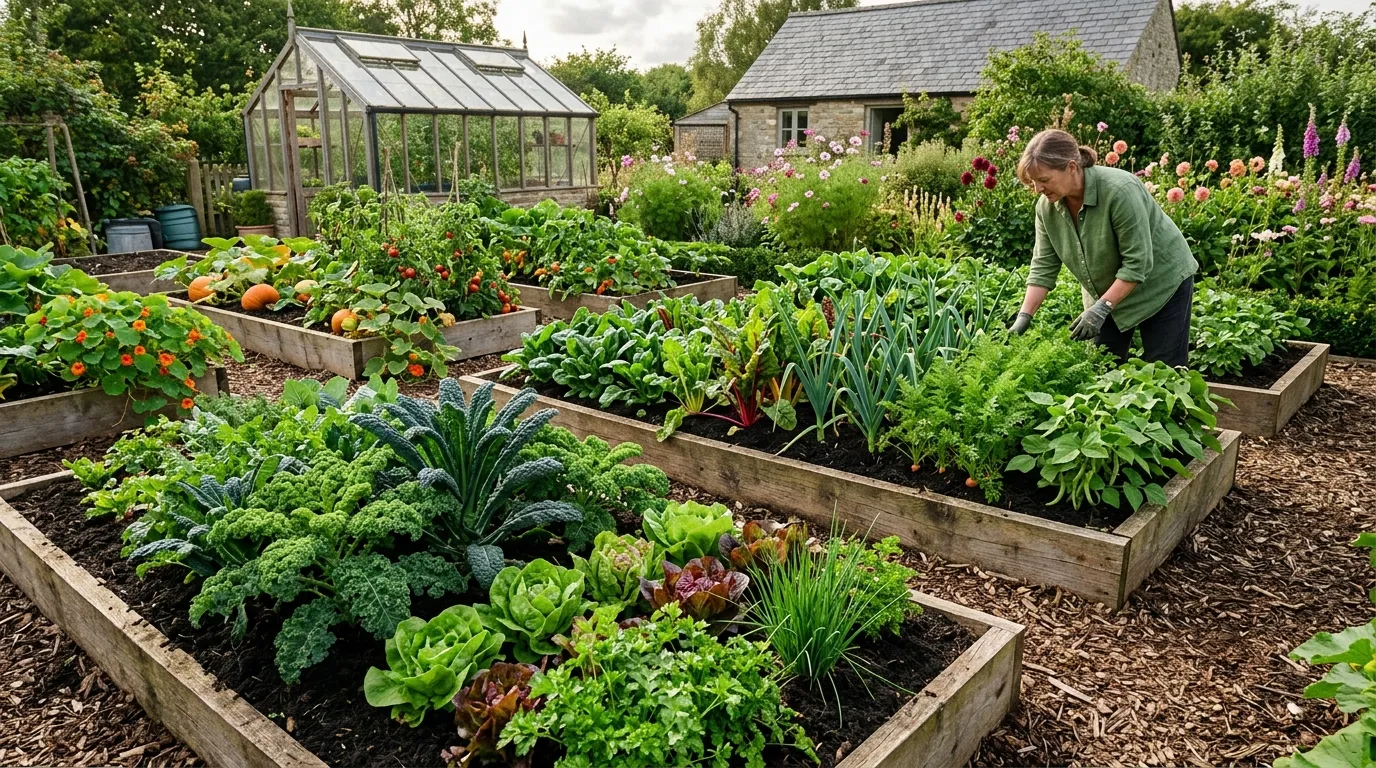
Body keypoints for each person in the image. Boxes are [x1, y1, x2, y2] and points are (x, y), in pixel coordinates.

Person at [1008, 129, 1198, 367]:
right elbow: (1043, 266)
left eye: (1044, 180)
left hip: (1162, 284)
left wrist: (1102, 308)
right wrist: (1024, 317)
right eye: (1033, 183)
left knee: (1165, 373)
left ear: (1072, 167)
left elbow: (1137, 263)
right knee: (1102, 369)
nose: (1038, 190)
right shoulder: (1047, 208)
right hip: (1107, 291)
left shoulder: (1119, 191)